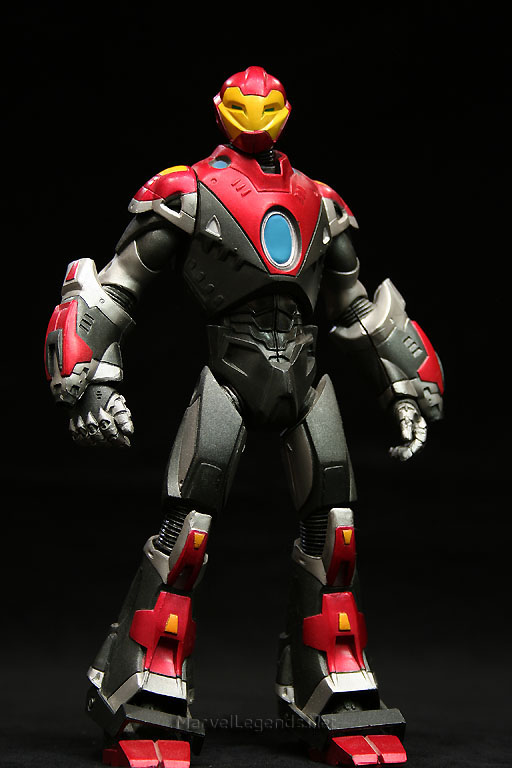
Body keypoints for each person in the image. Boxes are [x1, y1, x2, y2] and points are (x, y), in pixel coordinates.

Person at [45, 66, 444, 767]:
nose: (254, 115)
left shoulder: (320, 202)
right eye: (240, 105)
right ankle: (140, 686)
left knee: (337, 535)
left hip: (306, 382)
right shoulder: (187, 190)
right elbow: (117, 288)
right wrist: (92, 379)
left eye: (266, 105)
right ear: (220, 110)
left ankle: (333, 686)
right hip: (230, 377)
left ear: (285, 112)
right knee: (187, 535)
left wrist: (407, 384)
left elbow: (354, 304)